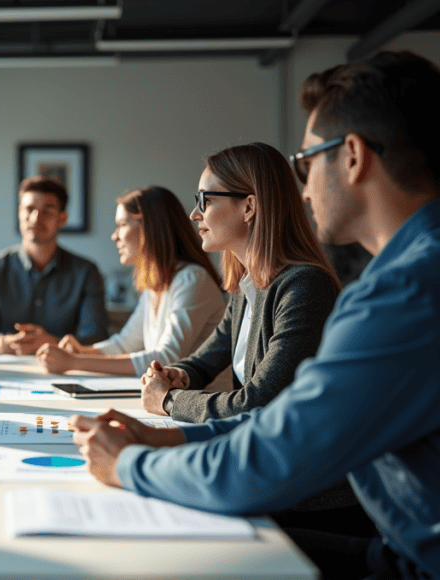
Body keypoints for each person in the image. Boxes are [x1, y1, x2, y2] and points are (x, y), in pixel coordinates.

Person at [71, 51, 440, 580]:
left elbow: (275, 450)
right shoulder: (402, 274)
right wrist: (164, 434)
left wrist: (129, 462)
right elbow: (274, 425)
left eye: (308, 163)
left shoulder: (402, 292)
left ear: (353, 156)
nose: (305, 187)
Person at [139, 143, 341, 424]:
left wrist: (169, 400)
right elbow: (204, 361)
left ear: (249, 207)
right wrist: (176, 375)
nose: (194, 215)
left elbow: (259, 403)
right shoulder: (247, 286)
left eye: (205, 200)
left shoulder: (304, 287)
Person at [36, 186, 224, 376]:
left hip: (203, 401)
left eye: (123, 224)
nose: (114, 236)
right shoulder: (155, 285)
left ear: (151, 227)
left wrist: (74, 362)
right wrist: (81, 351)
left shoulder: (192, 279)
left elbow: (167, 358)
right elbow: (124, 345)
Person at [0, 176, 109, 354]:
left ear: (62, 218)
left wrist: (53, 343)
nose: (35, 218)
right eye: (29, 209)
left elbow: (97, 336)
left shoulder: (86, 272)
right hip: (4, 368)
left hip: (65, 369)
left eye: (47, 211)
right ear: (19, 213)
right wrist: (0, 343)